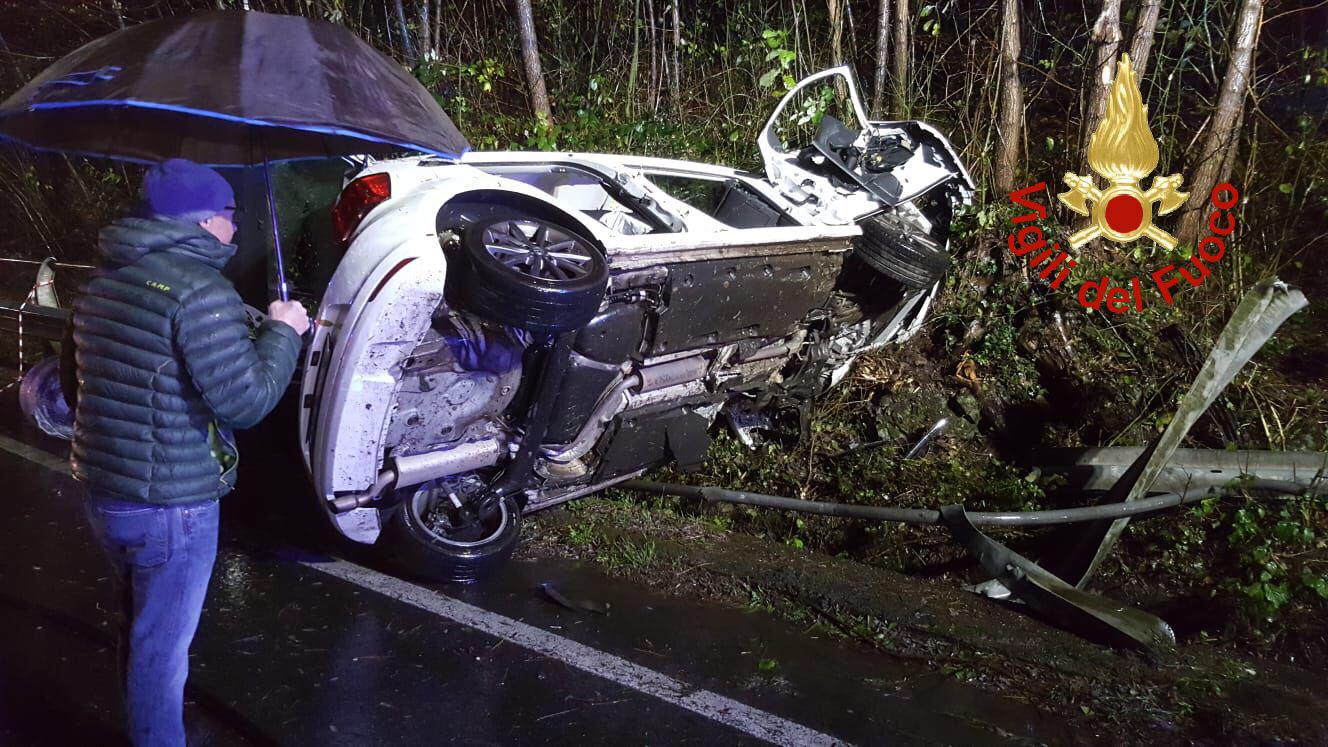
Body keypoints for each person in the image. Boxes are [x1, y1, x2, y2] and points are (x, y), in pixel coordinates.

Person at [61, 158, 309, 746]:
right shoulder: (201, 291)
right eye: (229, 216)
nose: (235, 229)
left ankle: (146, 725)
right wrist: (284, 333)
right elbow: (245, 402)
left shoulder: (102, 282)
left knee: (138, 624)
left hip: (104, 490)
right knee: (163, 649)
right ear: (202, 222)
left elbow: (81, 385)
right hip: (174, 504)